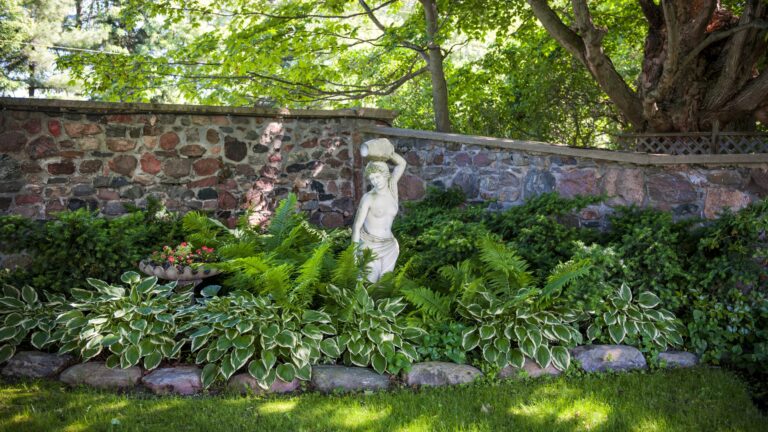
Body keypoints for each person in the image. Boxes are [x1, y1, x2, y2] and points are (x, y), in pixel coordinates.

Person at [351, 140, 406, 282]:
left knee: (383, 287)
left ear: (386, 175)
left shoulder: (393, 190)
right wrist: (354, 254)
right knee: (368, 285)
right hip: (369, 247)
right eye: (371, 178)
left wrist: (388, 152)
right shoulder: (368, 198)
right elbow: (357, 226)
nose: (375, 181)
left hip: (390, 246)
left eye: (378, 176)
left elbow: (402, 164)